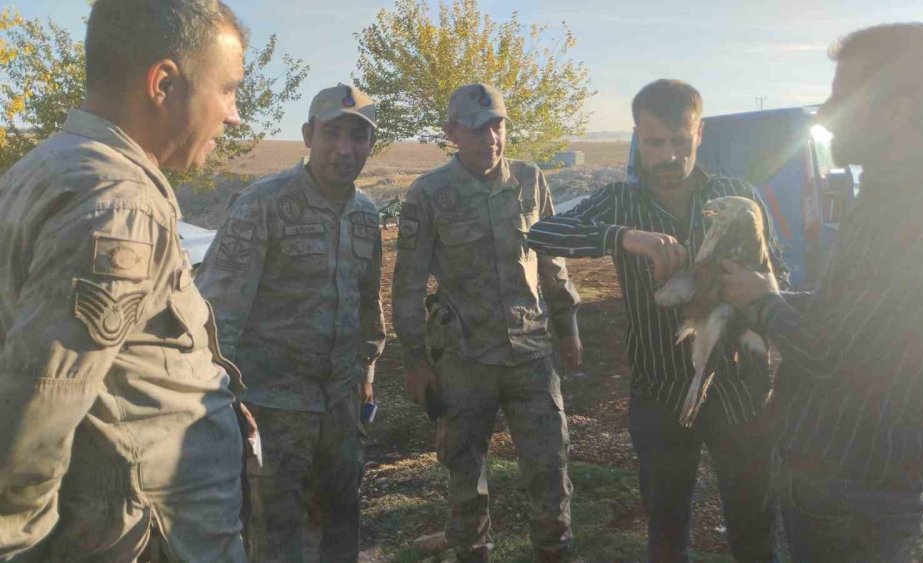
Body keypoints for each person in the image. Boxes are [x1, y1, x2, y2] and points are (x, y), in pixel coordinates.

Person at [720, 23, 923, 562]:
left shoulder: (917, 215)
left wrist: (762, 299)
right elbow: (853, 323)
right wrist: (765, 298)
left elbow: (831, 351)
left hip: (851, 494)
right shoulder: (894, 197)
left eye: (841, 97)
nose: (823, 113)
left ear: (897, 111)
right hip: (845, 486)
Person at [0, 0, 249, 560]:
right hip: (149, 536)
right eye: (228, 89)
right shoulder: (118, 206)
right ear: (162, 82)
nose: (233, 114)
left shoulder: (44, 168)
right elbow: (32, 415)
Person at [527, 79, 786, 562]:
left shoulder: (737, 197)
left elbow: (781, 273)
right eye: (654, 143)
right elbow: (543, 232)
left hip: (740, 388)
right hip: (660, 391)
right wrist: (624, 237)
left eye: (680, 142)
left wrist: (757, 293)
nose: (668, 156)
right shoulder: (620, 202)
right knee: (666, 529)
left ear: (700, 134)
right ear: (636, 138)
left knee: (753, 524)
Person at [196, 83, 386, 563]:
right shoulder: (265, 204)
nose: (344, 150)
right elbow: (217, 314)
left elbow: (367, 304)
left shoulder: (366, 215)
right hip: (273, 406)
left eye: (357, 138)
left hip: (341, 407)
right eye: (332, 134)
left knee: (343, 520)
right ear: (308, 135)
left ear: (370, 145)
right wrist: (220, 407)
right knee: (279, 534)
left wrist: (366, 378)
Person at [392, 83, 581, 562]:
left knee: (549, 468)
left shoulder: (530, 180)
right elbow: (408, 285)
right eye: (476, 128)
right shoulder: (429, 194)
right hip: (465, 358)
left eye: (497, 125)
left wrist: (569, 324)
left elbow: (552, 259)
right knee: (464, 475)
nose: (489, 138)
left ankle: (553, 553)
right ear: (453, 132)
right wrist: (415, 359)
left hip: (531, 354)